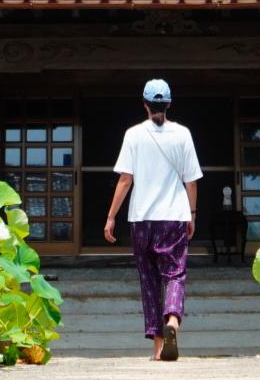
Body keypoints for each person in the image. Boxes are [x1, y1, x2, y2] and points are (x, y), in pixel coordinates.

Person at [103, 77, 202, 361]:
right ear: (169, 104)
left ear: (144, 104)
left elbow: (125, 180)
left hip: (141, 219)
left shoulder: (133, 134)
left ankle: (158, 349)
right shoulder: (183, 134)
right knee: (174, 274)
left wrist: (111, 217)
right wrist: (192, 214)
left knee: (148, 282)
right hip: (173, 217)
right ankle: (172, 319)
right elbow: (191, 182)